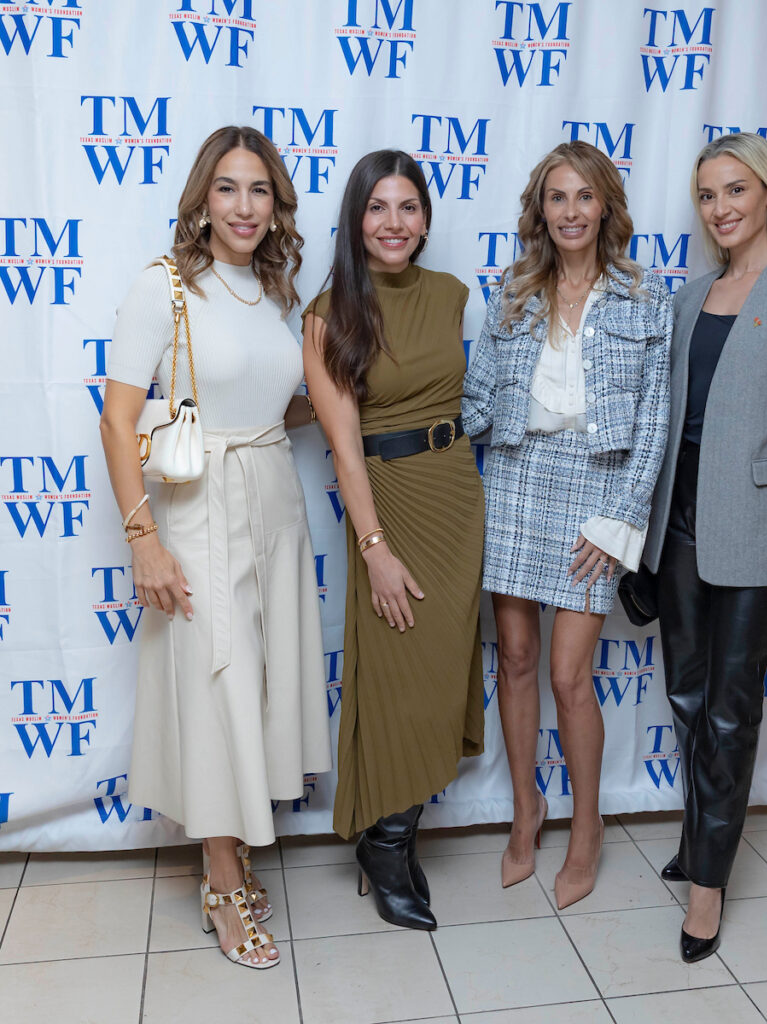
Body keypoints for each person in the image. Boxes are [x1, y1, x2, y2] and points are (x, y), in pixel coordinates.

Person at [99, 125, 332, 970]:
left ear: (277, 205)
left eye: (259, 189)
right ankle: (222, 878)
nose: (244, 205)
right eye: (228, 188)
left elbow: (272, 404)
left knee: (259, 686)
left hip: (273, 499)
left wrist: (343, 397)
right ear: (202, 200)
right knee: (215, 684)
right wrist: (144, 542)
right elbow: (117, 420)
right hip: (198, 512)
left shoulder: (274, 293)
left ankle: (232, 854)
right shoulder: (161, 286)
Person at [641, 132, 767, 962]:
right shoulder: (692, 296)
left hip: (760, 529)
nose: (720, 208)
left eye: (735, 190)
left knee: (730, 709)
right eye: (707, 195)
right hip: (681, 527)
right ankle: (701, 840)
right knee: (688, 696)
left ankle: (707, 888)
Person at [463, 140, 672, 910]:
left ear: (605, 205)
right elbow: (477, 396)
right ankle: (527, 811)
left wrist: (622, 517)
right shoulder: (513, 291)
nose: (571, 211)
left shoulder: (644, 294)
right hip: (516, 477)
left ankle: (588, 828)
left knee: (566, 674)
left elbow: (655, 419)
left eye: (585, 196)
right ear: (541, 210)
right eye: (558, 197)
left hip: (597, 487)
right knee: (516, 658)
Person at [302, 150, 484, 931]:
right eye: (378, 207)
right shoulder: (330, 313)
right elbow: (343, 447)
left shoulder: (452, 295)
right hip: (389, 505)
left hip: (455, 496)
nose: (394, 223)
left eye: (408, 207)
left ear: (426, 219)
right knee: (398, 676)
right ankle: (383, 843)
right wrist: (374, 546)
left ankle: (396, 834)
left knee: (438, 677)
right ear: (355, 219)